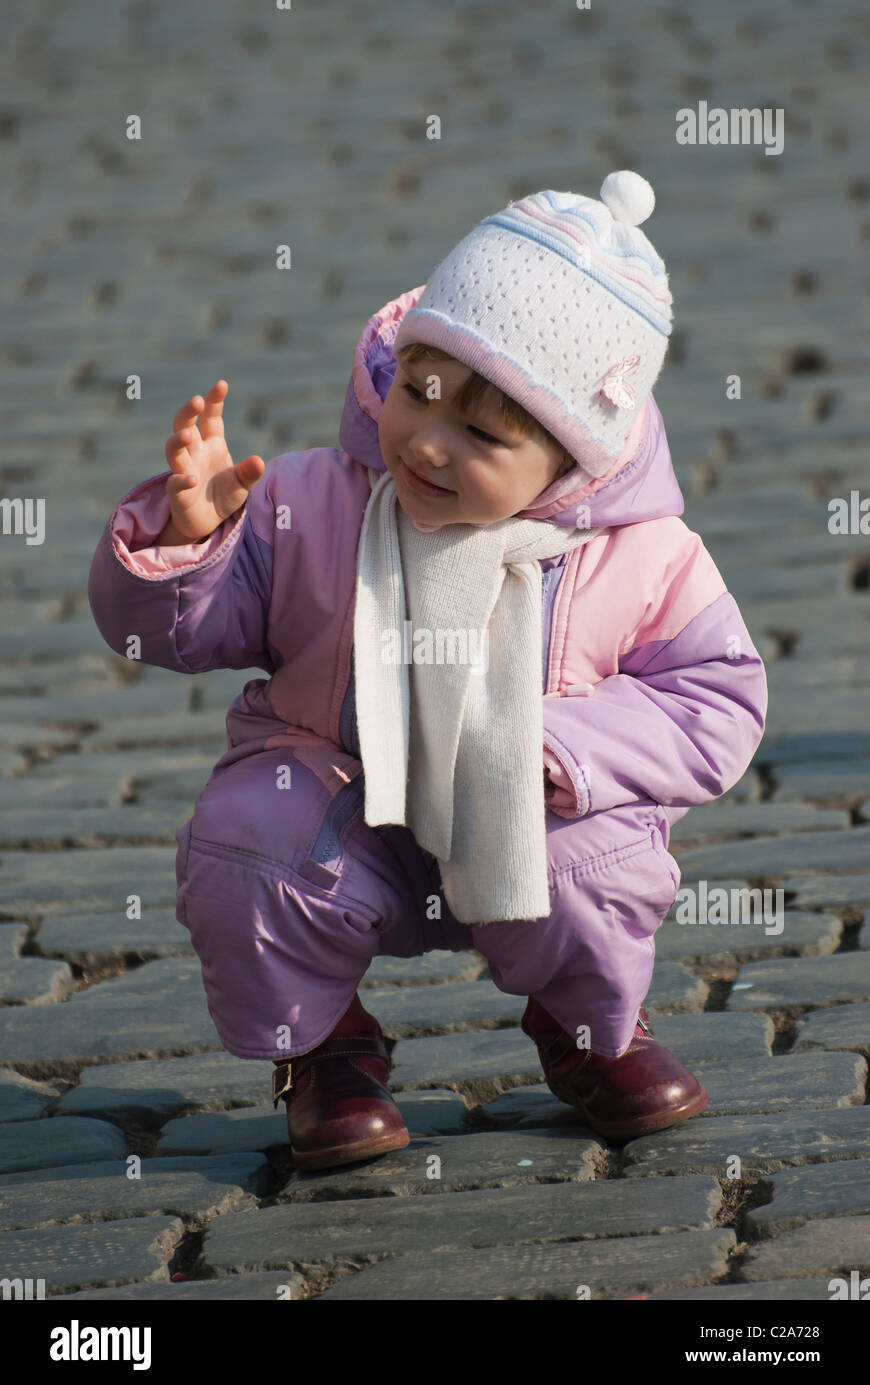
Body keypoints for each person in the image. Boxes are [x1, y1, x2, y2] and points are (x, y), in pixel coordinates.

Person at [88, 170, 768, 1172]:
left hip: (532, 807)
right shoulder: (315, 502)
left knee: (603, 866)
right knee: (245, 842)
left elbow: (715, 694)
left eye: (483, 435)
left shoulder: (646, 554)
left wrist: (562, 752)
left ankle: (588, 1028)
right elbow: (176, 634)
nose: (429, 446)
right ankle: (326, 1051)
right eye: (418, 395)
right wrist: (191, 543)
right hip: (340, 792)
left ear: (572, 457)